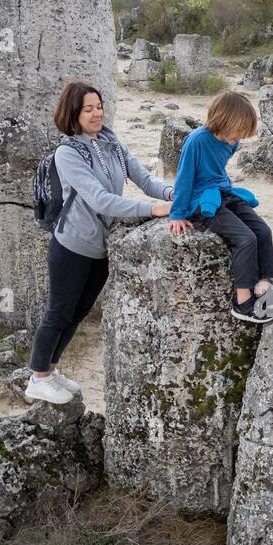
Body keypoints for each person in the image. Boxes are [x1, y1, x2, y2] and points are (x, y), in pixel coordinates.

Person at [25, 81, 173, 404]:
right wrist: (151, 210)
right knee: (58, 312)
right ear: (73, 114)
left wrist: (171, 194)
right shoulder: (67, 153)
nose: (96, 114)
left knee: (79, 312)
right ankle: (37, 376)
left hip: (101, 246)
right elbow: (100, 199)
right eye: (88, 109)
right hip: (72, 246)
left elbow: (143, 178)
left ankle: (51, 369)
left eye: (99, 107)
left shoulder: (110, 142)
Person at [168, 91, 273, 323]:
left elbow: (219, 166)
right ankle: (243, 302)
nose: (239, 138)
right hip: (201, 200)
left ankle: (266, 282)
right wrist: (177, 213)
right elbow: (184, 179)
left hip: (223, 192)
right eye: (238, 132)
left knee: (263, 231)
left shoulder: (231, 142)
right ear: (223, 121)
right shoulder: (196, 141)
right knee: (245, 238)